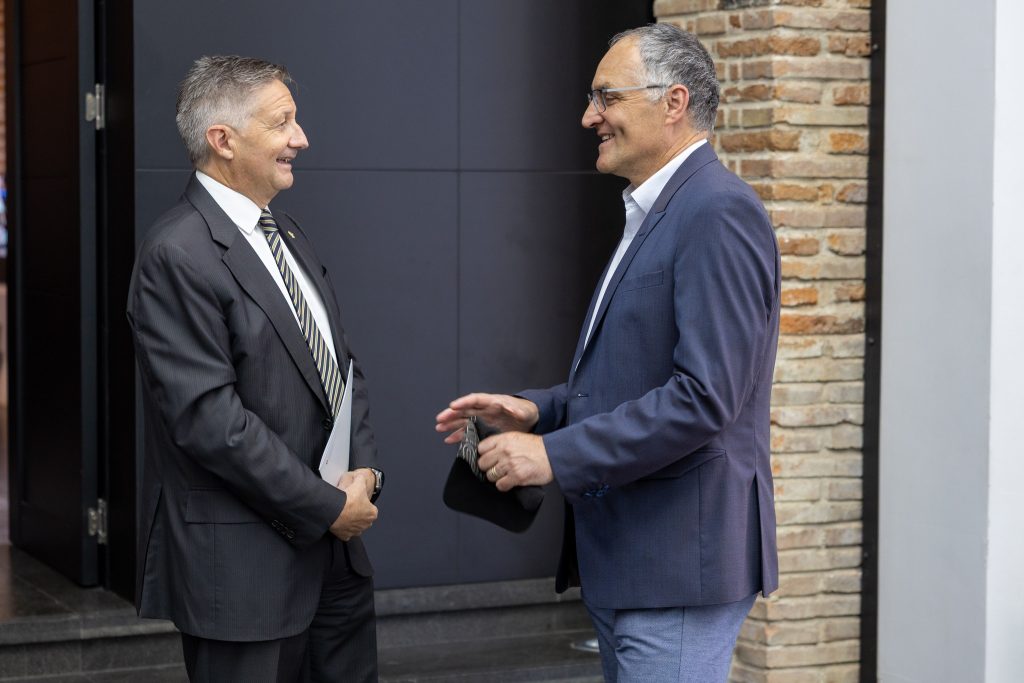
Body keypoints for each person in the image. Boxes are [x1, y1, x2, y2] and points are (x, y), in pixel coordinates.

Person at [436, 24, 780, 682]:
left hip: (676, 570)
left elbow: (705, 397)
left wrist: (553, 454)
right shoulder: (659, 212)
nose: (589, 116)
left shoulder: (716, 212)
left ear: (673, 102)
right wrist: (538, 411)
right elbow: (638, 376)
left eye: (607, 97)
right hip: (633, 562)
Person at [127, 56, 384, 682]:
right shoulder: (176, 253)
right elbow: (210, 421)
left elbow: (339, 368)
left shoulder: (285, 233)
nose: (302, 138)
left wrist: (365, 472)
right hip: (245, 575)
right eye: (282, 123)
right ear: (223, 139)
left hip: (335, 563)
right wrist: (326, 505)